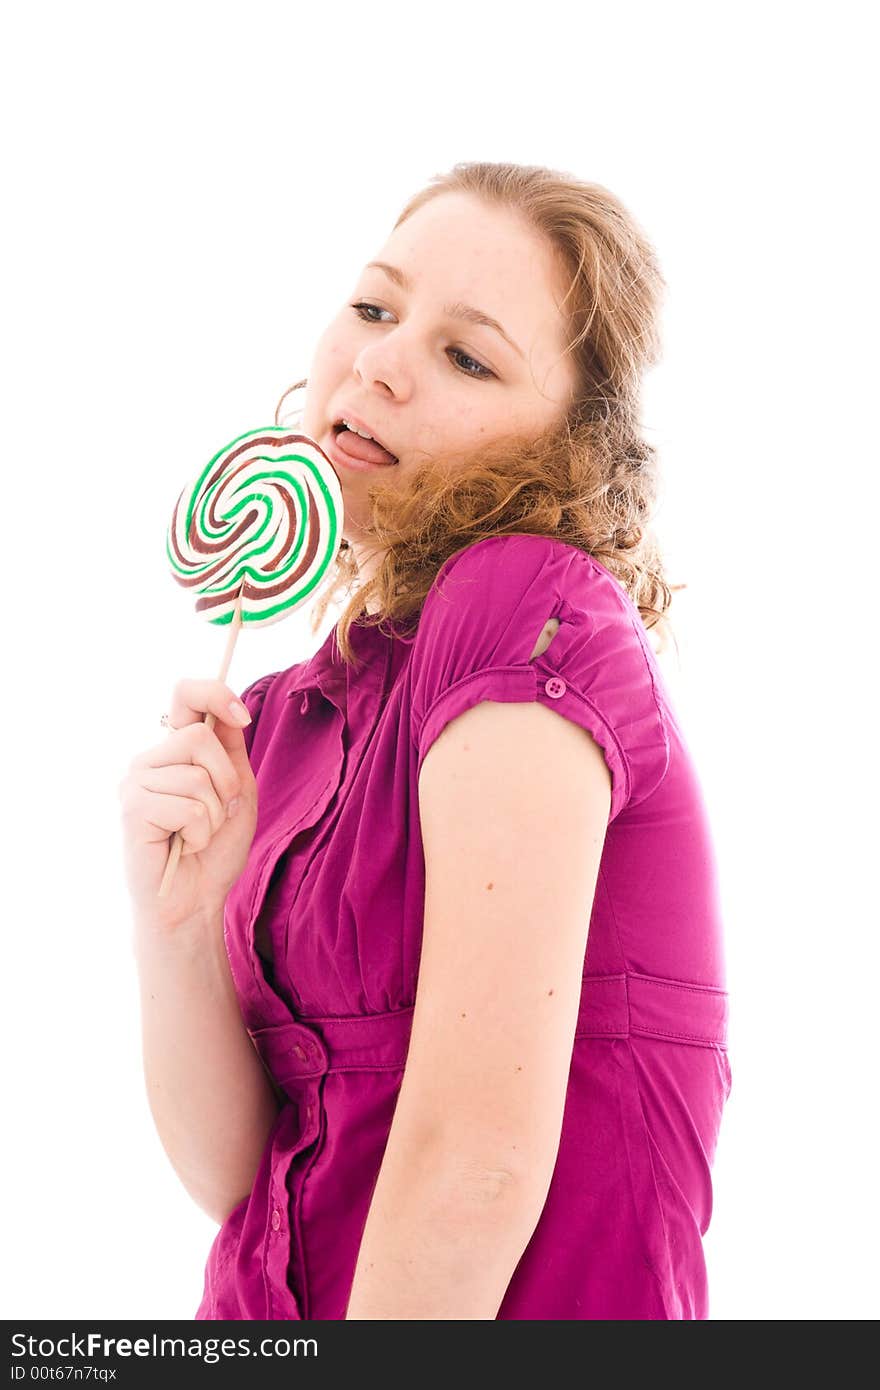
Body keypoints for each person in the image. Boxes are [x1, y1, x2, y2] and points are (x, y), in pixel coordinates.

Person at [118, 160, 731, 1320]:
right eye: (374, 307)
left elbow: (474, 1165)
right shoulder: (297, 709)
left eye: (467, 355)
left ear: (568, 448)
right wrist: (185, 927)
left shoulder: (525, 605)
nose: (381, 363)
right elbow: (247, 1182)